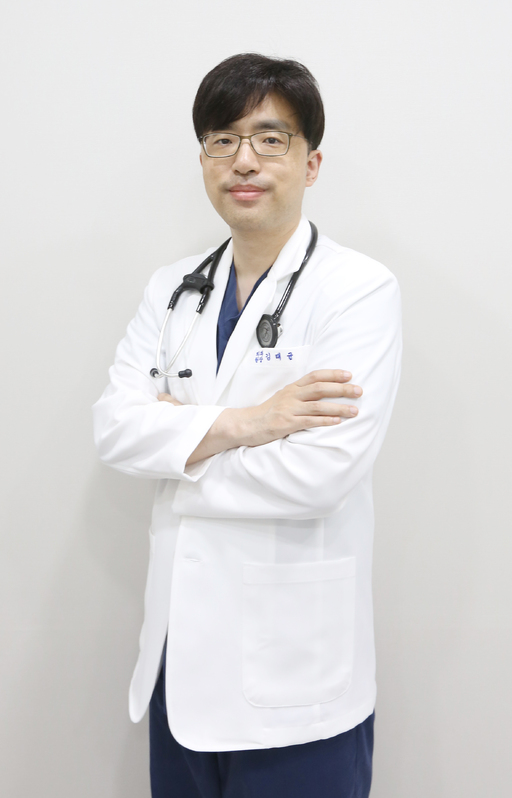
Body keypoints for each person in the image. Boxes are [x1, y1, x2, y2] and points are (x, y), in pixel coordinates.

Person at [93, 53, 401, 798]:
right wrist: (251, 422)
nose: (244, 161)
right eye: (222, 140)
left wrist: (177, 450)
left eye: (270, 139)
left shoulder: (358, 291)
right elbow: (114, 431)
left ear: (311, 162)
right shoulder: (172, 290)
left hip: (295, 680)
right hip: (177, 666)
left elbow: (319, 475)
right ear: (204, 158)